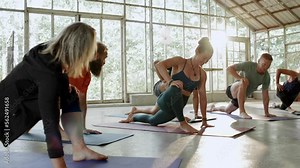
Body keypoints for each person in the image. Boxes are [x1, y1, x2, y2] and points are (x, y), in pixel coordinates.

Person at [0, 22, 107, 168]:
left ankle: (80, 149)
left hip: (19, 99)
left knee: (70, 94)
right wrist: (60, 165)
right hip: (7, 111)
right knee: (52, 117)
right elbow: (50, 125)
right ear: (81, 49)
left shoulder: (51, 54)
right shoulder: (49, 74)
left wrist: (63, 87)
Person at [120, 37, 214, 133]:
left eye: (208, 60)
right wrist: (170, 81)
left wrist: (204, 120)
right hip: (166, 99)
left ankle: (133, 117)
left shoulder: (202, 74)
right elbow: (159, 65)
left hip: (177, 105)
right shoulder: (180, 61)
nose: (205, 62)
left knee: (153, 121)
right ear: (197, 51)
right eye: (204, 58)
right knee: (176, 86)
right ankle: (183, 123)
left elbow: (202, 97)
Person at [209, 53, 276, 119]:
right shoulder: (249, 65)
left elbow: (265, 96)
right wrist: (240, 78)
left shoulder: (266, 77)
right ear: (258, 61)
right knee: (244, 82)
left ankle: (214, 108)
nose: (265, 68)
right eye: (263, 64)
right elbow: (229, 69)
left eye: (268, 66)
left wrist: (266, 113)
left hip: (241, 97)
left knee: (227, 110)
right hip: (233, 90)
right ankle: (242, 112)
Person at [68, 42, 108, 134]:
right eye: (104, 58)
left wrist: (82, 128)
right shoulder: (72, 65)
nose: (104, 62)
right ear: (97, 55)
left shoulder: (86, 75)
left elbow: (82, 101)